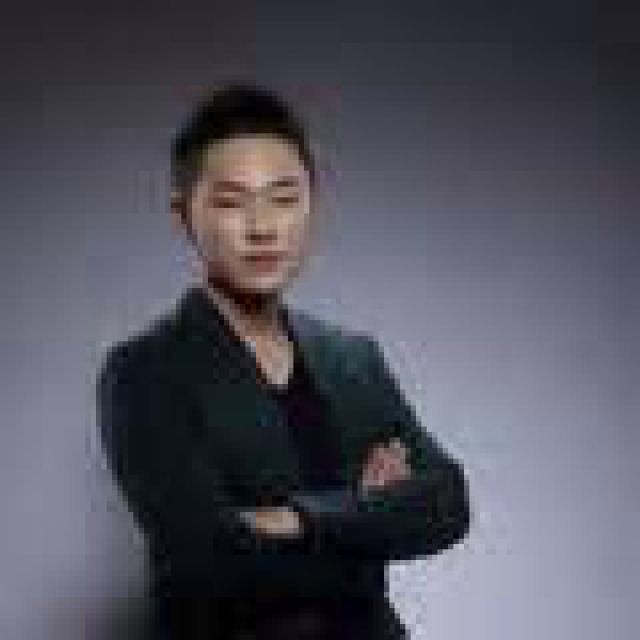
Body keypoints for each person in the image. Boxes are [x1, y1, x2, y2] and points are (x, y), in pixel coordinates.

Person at [95, 83, 471, 639]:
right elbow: (212, 565)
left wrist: (300, 518)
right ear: (183, 216)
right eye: (231, 202)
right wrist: (372, 519)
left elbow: (448, 502)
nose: (262, 227)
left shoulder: (353, 359)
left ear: (313, 204)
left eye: (284, 198)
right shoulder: (145, 371)